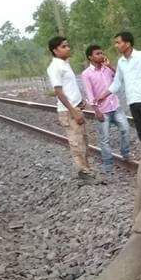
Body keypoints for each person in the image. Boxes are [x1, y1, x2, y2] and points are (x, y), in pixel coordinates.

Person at [97, 31, 141, 148]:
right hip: (132, 100)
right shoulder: (121, 62)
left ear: (127, 44)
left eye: (118, 42)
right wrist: (103, 95)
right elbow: (116, 82)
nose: (116, 45)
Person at [46, 36, 96, 182]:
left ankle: (87, 170)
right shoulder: (55, 67)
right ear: (55, 50)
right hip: (68, 111)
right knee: (76, 143)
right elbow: (58, 91)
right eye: (63, 46)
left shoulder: (64, 64)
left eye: (67, 45)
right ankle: (84, 172)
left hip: (75, 108)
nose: (68, 48)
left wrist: (79, 102)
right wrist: (73, 110)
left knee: (83, 141)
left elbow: (69, 88)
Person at [81, 44, 131, 175]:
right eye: (97, 54)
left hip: (115, 106)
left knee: (125, 129)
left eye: (102, 53)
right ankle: (108, 164)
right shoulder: (86, 74)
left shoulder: (106, 69)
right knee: (105, 139)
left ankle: (125, 153)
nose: (101, 55)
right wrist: (96, 111)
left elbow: (119, 77)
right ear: (90, 57)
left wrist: (109, 66)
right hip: (102, 110)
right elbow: (89, 93)